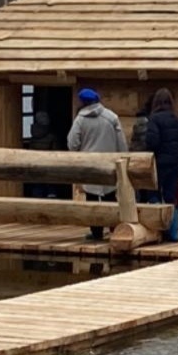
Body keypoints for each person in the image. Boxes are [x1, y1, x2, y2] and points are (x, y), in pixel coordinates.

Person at [67, 88, 127, 241]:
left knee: (92, 199)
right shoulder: (112, 117)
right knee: (110, 197)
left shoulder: (80, 120)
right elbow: (122, 144)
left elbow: (72, 144)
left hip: (90, 165)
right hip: (109, 164)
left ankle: (96, 233)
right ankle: (115, 229)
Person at [144, 87, 178, 243]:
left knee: (154, 195)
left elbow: (152, 142)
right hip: (176, 164)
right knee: (171, 198)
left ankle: (157, 228)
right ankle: (173, 234)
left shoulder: (154, 119)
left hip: (159, 163)